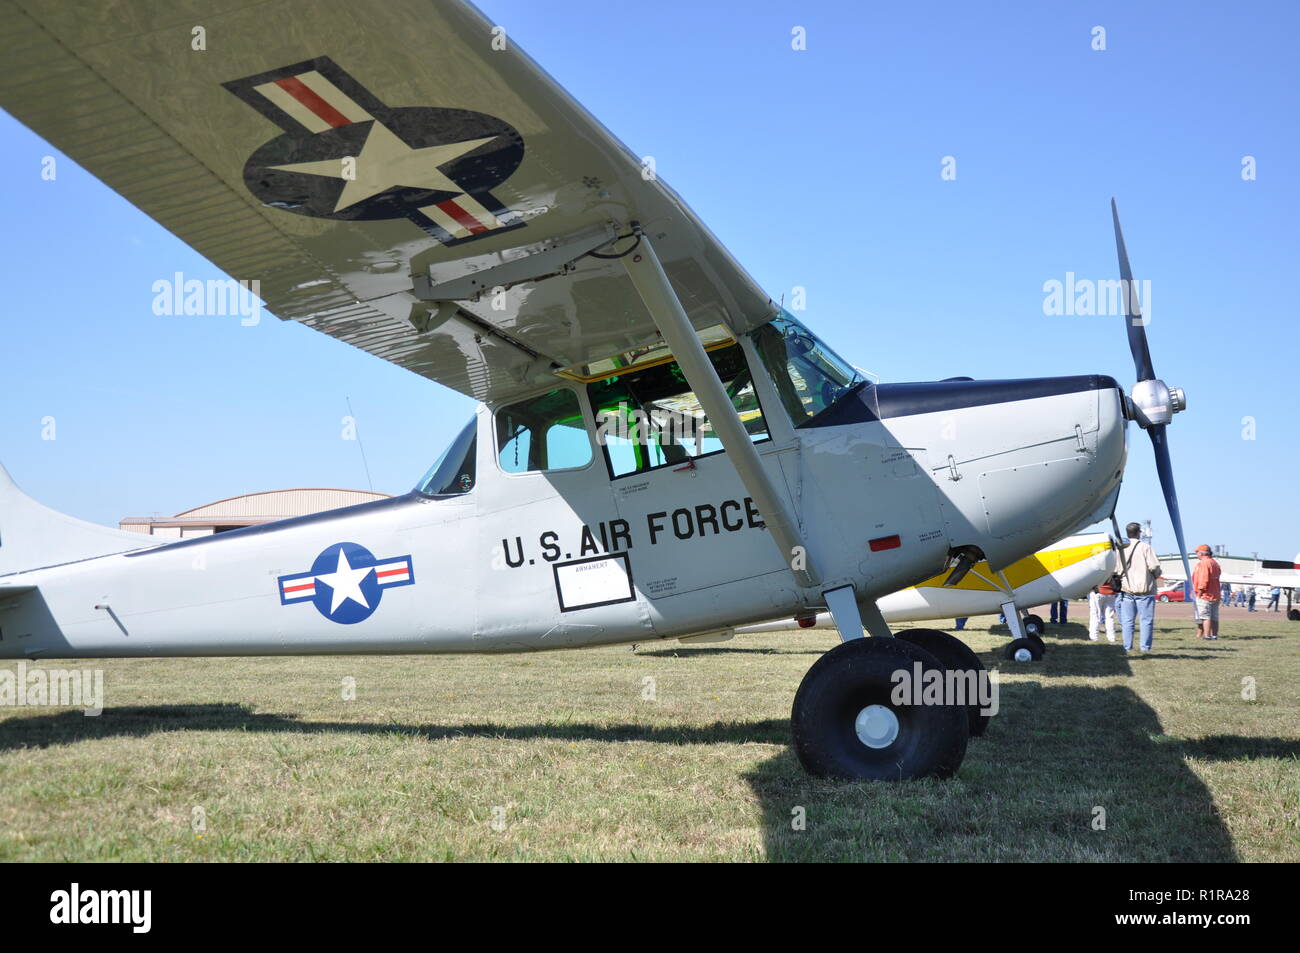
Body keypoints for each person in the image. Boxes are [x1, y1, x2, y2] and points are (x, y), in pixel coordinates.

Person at [1117, 521, 1162, 654]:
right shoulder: (1145, 547)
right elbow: (1154, 566)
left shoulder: (1121, 548)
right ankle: (1145, 647)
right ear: (1138, 533)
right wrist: (1156, 575)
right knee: (1146, 620)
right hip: (1144, 589)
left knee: (1127, 621)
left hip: (1126, 589)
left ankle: (1127, 647)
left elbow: (1116, 569)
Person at [1191, 544, 1222, 640]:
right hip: (1215, 594)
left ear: (1201, 553)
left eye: (1197, 552)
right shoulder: (1214, 562)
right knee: (1214, 617)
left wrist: (1199, 593)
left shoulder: (1204, 563)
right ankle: (1214, 635)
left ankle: (1207, 635)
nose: (1196, 554)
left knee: (1205, 617)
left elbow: (1203, 580)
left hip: (1205, 595)